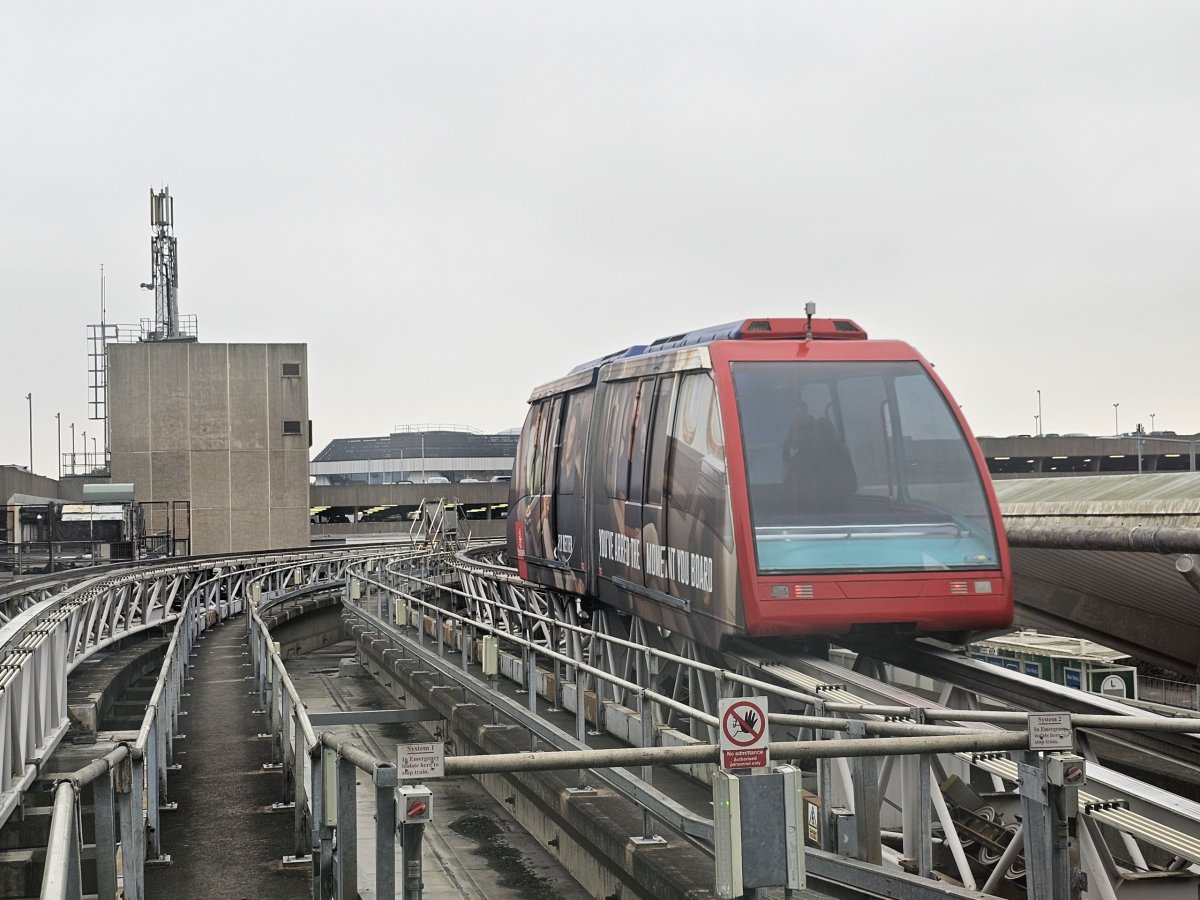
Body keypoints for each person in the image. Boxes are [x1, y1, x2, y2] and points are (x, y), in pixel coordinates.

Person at [781, 399, 856, 513]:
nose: (797, 417)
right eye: (794, 415)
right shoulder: (842, 449)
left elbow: (794, 481)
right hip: (840, 506)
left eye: (799, 413)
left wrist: (792, 461)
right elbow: (852, 486)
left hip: (816, 507)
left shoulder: (815, 452)